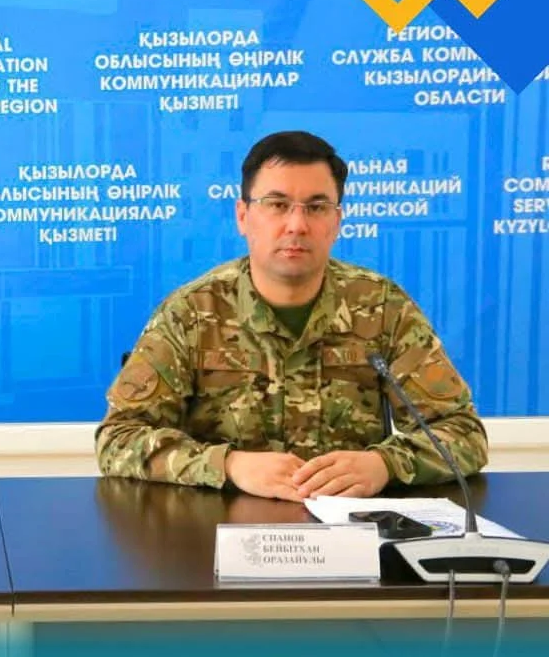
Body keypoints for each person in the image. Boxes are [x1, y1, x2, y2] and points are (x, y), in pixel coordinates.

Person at [95, 130, 488, 502]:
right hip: (218, 530)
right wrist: (227, 465)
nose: (297, 225)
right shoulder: (192, 312)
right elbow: (118, 439)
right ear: (243, 216)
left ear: (337, 220)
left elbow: (464, 434)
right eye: (277, 205)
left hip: (349, 531)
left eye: (316, 207)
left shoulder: (383, 307)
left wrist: (385, 465)